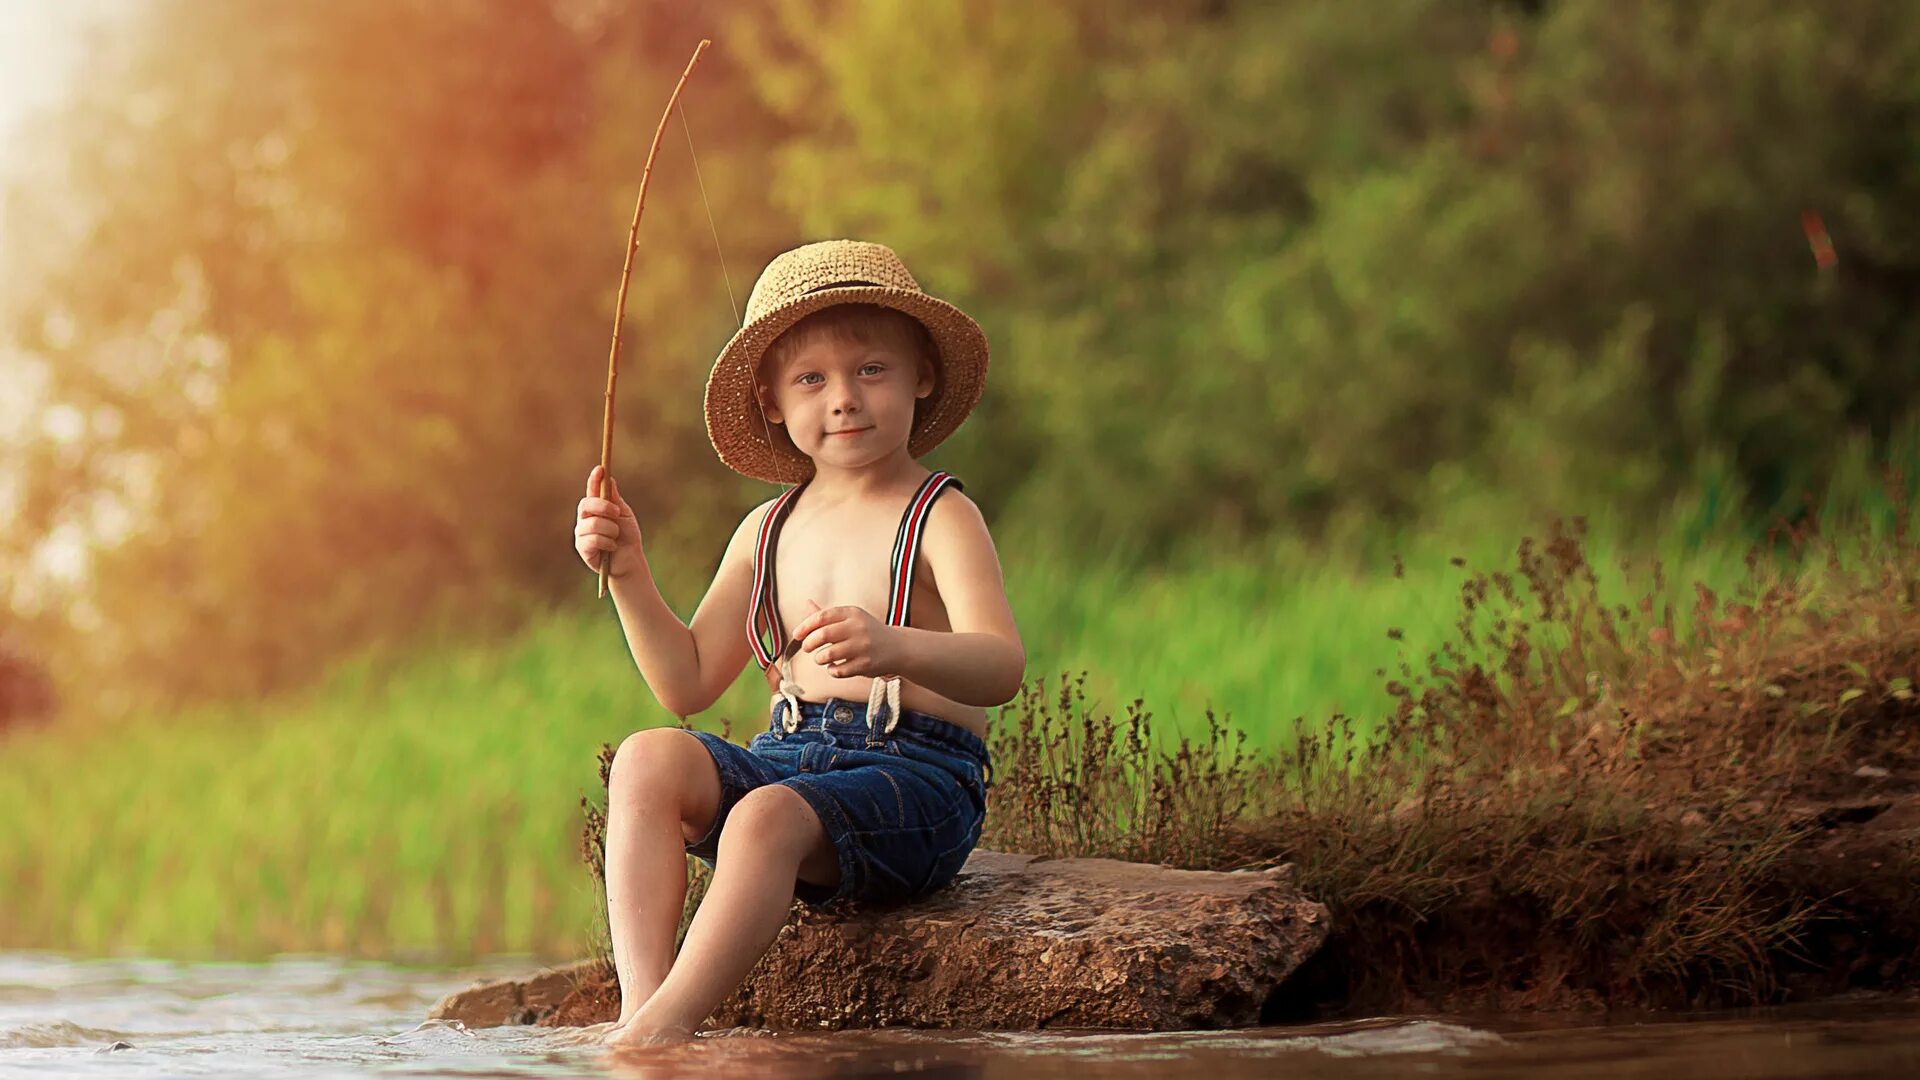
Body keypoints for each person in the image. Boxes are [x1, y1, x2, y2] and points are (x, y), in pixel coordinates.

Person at [572, 239, 1026, 1047]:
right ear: (774, 402)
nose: (845, 399)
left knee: (761, 820)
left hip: (915, 776)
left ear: (920, 375)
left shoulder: (939, 514)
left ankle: (663, 1034)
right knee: (646, 758)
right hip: (791, 756)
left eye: (871, 370)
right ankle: (639, 1008)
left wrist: (898, 648)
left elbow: (1002, 664)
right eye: (812, 379)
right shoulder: (766, 528)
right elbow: (686, 682)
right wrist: (633, 574)